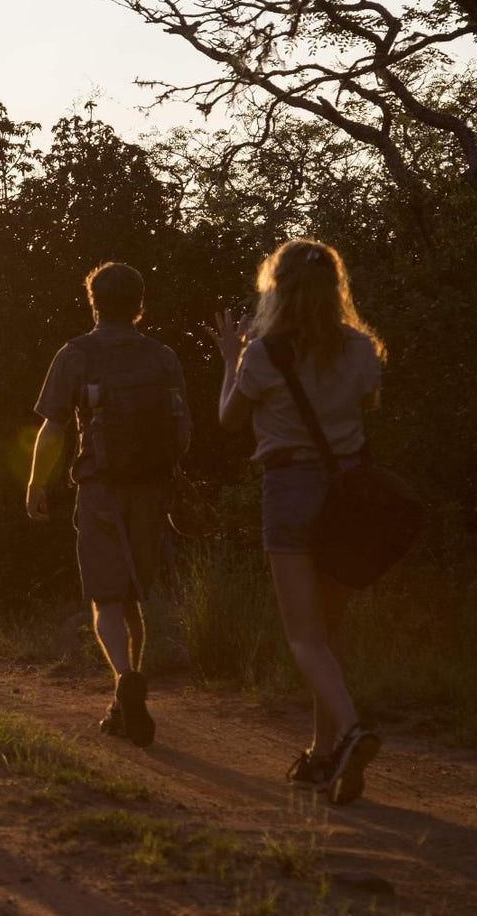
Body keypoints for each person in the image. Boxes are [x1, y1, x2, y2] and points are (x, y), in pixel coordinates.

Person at [207, 238, 384, 805]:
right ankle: (323, 752)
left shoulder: (263, 354)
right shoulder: (361, 350)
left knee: (303, 636)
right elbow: (369, 407)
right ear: (337, 288)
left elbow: (229, 421)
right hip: (348, 495)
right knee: (328, 633)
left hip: (289, 489)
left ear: (275, 290)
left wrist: (231, 360)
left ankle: (352, 733)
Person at [26, 262, 190, 748]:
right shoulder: (163, 358)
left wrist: (37, 481)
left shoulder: (76, 355)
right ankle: (128, 690)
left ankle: (123, 680)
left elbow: (53, 427)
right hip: (151, 489)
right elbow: (182, 432)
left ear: (93, 301)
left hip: (99, 489)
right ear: (140, 302)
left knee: (105, 598)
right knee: (135, 596)